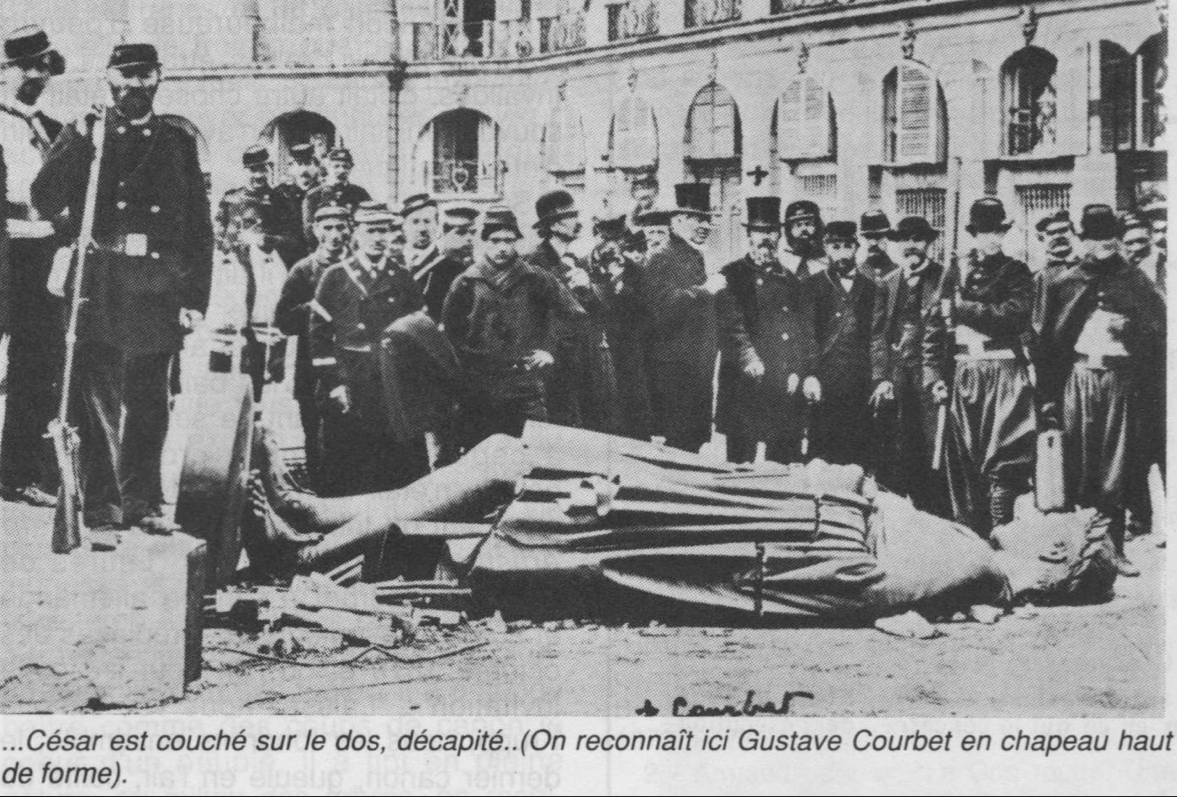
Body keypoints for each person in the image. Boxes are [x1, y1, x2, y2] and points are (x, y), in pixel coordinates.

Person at [31, 42, 214, 534]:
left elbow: (199, 227)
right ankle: (103, 508)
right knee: (98, 400)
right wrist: (78, 142)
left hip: (158, 286)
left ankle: (143, 502)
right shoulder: (85, 132)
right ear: (109, 77)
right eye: (126, 75)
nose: (136, 85)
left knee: (151, 399)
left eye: (145, 75)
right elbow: (44, 196)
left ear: (159, 78)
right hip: (103, 280)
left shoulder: (176, 141)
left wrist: (195, 299)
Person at [1031, 204, 1166, 577]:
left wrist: (1132, 330)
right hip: (1078, 379)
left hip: (1120, 381)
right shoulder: (1065, 282)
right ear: (1082, 240)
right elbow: (1045, 343)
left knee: (1116, 466)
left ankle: (1114, 550)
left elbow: (1159, 333)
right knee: (1078, 463)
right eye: (1094, 240)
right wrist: (1047, 399)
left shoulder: (1135, 280)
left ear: (1118, 240)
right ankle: (1080, 550)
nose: (1102, 247)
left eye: (1109, 239)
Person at [309, 202, 429, 497]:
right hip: (352, 381)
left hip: (392, 383)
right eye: (371, 231)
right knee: (351, 464)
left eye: (384, 231)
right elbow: (319, 336)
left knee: (399, 466)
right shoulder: (336, 277)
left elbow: (420, 332)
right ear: (356, 235)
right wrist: (334, 384)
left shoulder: (402, 277)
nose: (378, 238)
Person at [442, 206, 584, 448]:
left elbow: (573, 314)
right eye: (495, 240)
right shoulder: (467, 282)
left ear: (517, 242)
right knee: (482, 456)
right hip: (480, 388)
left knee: (533, 453)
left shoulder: (535, 278)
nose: (502, 247)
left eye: (509, 240)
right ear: (484, 242)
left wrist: (549, 349)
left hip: (524, 384)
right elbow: (451, 331)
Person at [0, 25, 66, 508]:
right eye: (31, 67)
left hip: (41, 259)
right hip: (6, 254)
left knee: (36, 363)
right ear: (7, 70)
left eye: (45, 68)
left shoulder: (50, 128)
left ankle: (17, 472)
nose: (39, 76)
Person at [944, 198, 1036, 536]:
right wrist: (935, 375)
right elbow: (936, 325)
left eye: (997, 231)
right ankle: (970, 535)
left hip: (1003, 369)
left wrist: (964, 308)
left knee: (1005, 453)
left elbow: (1012, 316)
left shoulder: (1016, 271)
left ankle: (1002, 533)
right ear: (974, 233)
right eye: (984, 232)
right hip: (965, 368)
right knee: (965, 457)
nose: (991, 238)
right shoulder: (955, 270)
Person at [716, 196, 819, 464]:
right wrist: (749, 357)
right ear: (749, 235)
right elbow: (731, 326)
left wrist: (799, 370)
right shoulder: (732, 275)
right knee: (740, 462)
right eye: (760, 232)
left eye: (771, 232)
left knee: (782, 460)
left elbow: (803, 332)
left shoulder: (791, 280)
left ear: (779, 236)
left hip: (782, 380)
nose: (766, 238)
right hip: (743, 378)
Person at [870, 215, 951, 516]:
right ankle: (901, 514)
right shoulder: (888, 283)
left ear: (928, 243)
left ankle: (937, 514)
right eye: (905, 240)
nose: (911, 246)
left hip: (932, 373)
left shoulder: (945, 277)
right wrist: (881, 377)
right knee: (898, 445)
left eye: (918, 239)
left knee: (934, 446)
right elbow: (878, 335)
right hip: (897, 374)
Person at [274, 204, 352, 491]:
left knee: (349, 431)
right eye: (327, 228)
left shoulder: (357, 265)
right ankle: (321, 493)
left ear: (350, 230)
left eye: (341, 227)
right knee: (315, 431)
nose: (334, 235)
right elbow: (282, 320)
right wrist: (315, 310)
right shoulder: (303, 270)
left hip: (350, 364)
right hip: (311, 367)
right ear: (315, 231)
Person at [645, 183, 724, 452]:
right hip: (674, 368)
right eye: (697, 219)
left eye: (708, 219)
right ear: (677, 220)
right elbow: (661, 308)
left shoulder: (696, 256)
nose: (705, 225)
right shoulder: (661, 257)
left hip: (697, 365)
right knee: (677, 441)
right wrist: (705, 292)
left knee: (693, 441)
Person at [523, 188, 602, 429]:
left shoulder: (577, 261)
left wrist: (588, 287)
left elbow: (593, 313)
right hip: (551, 364)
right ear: (555, 226)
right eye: (572, 216)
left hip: (580, 362)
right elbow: (531, 316)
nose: (579, 222)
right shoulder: (533, 262)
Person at [811, 220, 877, 466]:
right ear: (826, 249)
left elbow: (876, 336)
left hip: (859, 382)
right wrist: (810, 374)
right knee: (822, 453)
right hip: (824, 380)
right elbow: (807, 335)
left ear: (856, 248)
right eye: (835, 246)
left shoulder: (870, 288)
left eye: (847, 246)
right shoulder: (813, 286)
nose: (841, 252)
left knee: (857, 453)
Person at [591, 217, 651, 440]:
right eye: (604, 238)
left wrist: (621, 289)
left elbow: (646, 311)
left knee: (631, 407)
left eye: (616, 239)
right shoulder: (583, 266)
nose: (610, 245)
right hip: (595, 346)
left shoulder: (635, 271)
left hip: (627, 348)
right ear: (596, 237)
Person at [216, 145, 299, 265]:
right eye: (253, 170)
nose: (259, 175)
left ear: (269, 169)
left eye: (263, 169)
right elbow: (219, 231)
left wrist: (266, 239)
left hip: (263, 264)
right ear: (244, 171)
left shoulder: (279, 200)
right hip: (232, 265)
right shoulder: (230, 198)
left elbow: (293, 239)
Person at [301, 147, 369, 246]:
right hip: (324, 248)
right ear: (328, 167)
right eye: (336, 166)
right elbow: (309, 229)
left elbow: (367, 222)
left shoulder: (360, 193)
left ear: (350, 168)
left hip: (353, 248)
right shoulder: (314, 195)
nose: (341, 170)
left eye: (345, 166)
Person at [419, 203, 477, 320]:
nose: (469, 238)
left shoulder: (475, 268)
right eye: (461, 233)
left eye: (472, 232)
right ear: (444, 235)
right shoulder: (434, 271)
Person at [270, 141, 319, 267]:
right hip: (290, 261)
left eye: (308, 163)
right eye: (299, 164)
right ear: (291, 168)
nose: (304, 170)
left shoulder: (324, 194)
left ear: (317, 166)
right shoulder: (280, 195)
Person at [780, 200, 828, 279]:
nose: (803, 229)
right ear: (789, 230)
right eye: (798, 225)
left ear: (817, 228)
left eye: (808, 224)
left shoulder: (827, 263)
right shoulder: (782, 261)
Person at [857, 209, 898, 283]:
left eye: (878, 237)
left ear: (887, 238)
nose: (873, 243)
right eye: (868, 237)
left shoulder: (898, 273)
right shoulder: (857, 274)